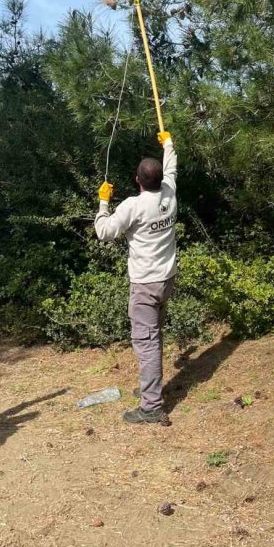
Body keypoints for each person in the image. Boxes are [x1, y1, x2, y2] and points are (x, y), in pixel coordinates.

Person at [95, 131, 177, 426]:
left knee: (147, 341)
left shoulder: (133, 205)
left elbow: (104, 232)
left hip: (145, 285)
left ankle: (152, 406)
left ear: (137, 179)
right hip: (166, 279)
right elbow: (171, 167)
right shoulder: (169, 192)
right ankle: (149, 387)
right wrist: (168, 143)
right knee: (154, 336)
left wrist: (103, 202)